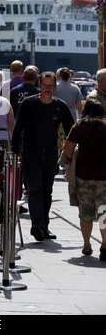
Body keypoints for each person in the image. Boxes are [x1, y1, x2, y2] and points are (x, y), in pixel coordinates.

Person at [11, 71, 75, 242]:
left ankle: (44, 226)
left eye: (51, 86)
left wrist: (74, 150)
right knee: (35, 189)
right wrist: (15, 150)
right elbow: (18, 128)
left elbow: (71, 130)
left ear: (55, 87)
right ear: (39, 86)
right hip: (31, 151)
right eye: (45, 85)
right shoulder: (28, 104)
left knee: (47, 190)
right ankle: (37, 225)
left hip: (50, 153)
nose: (48, 89)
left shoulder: (60, 106)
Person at [63, 98, 106, 259]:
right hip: (104, 176)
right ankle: (105, 243)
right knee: (104, 212)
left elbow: (67, 150)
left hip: (84, 175)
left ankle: (87, 244)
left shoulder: (79, 127)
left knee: (85, 212)